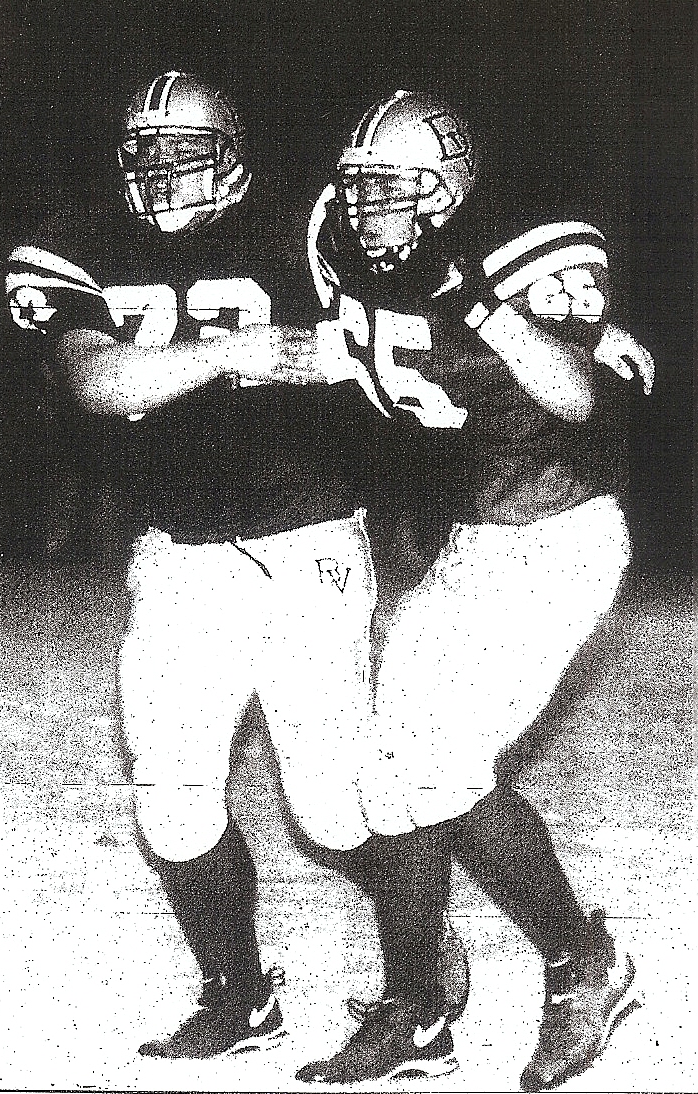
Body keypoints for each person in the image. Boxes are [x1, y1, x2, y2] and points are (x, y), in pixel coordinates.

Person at [5, 70, 469, 1061]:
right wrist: (237, 350)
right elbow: (97, 377)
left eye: (185, 149)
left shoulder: (311, 230)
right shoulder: (80, 240)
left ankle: (419, 975)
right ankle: (239, 995)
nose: (163, 170)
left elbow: (421, 313)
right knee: (169, 796)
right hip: (176, 550)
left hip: (305, 540)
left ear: (235, 151)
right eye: (148, 152)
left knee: (330, 804)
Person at [293, 90, 651, 1089]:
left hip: (556, 534)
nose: (367, 207)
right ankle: (414, 1010)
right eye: (357, 186)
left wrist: (485, 301)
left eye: (391, 187)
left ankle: (585, 957)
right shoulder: (342, 242)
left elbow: (576, 395)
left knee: (440, 762)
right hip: (470, 538)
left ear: (448, 188)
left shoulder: (515, 249)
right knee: (388, 764)